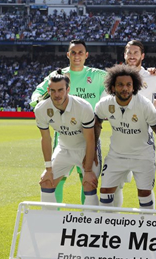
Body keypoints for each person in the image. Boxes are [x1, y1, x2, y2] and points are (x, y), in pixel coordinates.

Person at [30, 39, 106, 205]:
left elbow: (122, 81)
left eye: (80, 52)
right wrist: (38, 102)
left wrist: (146, 74)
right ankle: (52, 221)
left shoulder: (98, 76)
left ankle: (86, 221)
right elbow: (38, 92)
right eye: (73, 52)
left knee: (87, 179)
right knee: (55, 180)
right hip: (63, 133)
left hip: (89, 135)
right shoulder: (58, 76)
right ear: (68, 54)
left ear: (86, 55)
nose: (77, 56)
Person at [94, 64, 156, 210]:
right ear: (112, 87)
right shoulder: (104, 104)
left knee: (144, 194)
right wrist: (93, 151)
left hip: (142, 155)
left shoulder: (144, 105)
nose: (125, 88)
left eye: (128, 85)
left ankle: (147, 230)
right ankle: (107, 230)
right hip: (116, 155)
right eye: (120, 85)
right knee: (105, 192)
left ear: (134, 87)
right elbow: (96, 125)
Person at [34, 70, 100, 209]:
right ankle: (50, 226)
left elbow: (90, 140)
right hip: (64, 148)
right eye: (53, 91)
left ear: (68, 89)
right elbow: (45, 139)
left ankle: (91, 225)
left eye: (60, 90)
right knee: (46, 181)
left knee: (89, 183)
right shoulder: (41, 109)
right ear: (48, 90)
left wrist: (88, 170)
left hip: (85, 149)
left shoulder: (83, 106)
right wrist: (48, 168)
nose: (56, 95)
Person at [124, 40, 156, 104]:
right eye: (129, 53)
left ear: (142, 56)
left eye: (136, 53)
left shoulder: (152, 77)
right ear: (124, 55)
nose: (132, 56)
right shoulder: (116, 77)